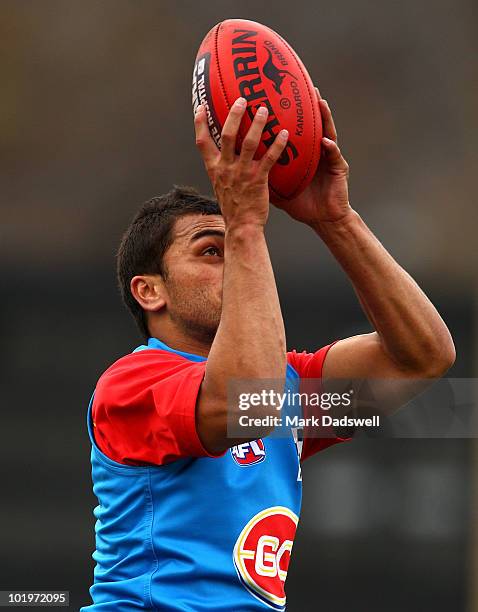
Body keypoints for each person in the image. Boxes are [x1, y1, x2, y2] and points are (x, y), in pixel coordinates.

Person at [81, 92, 455, 611]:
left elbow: (423, 358)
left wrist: (335, 219)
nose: (235, 262)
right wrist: (246, 226)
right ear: (150, 291)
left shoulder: (291, 394)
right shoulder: (131, 384)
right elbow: (245, 404)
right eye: (213, 250)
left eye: (238, 250)